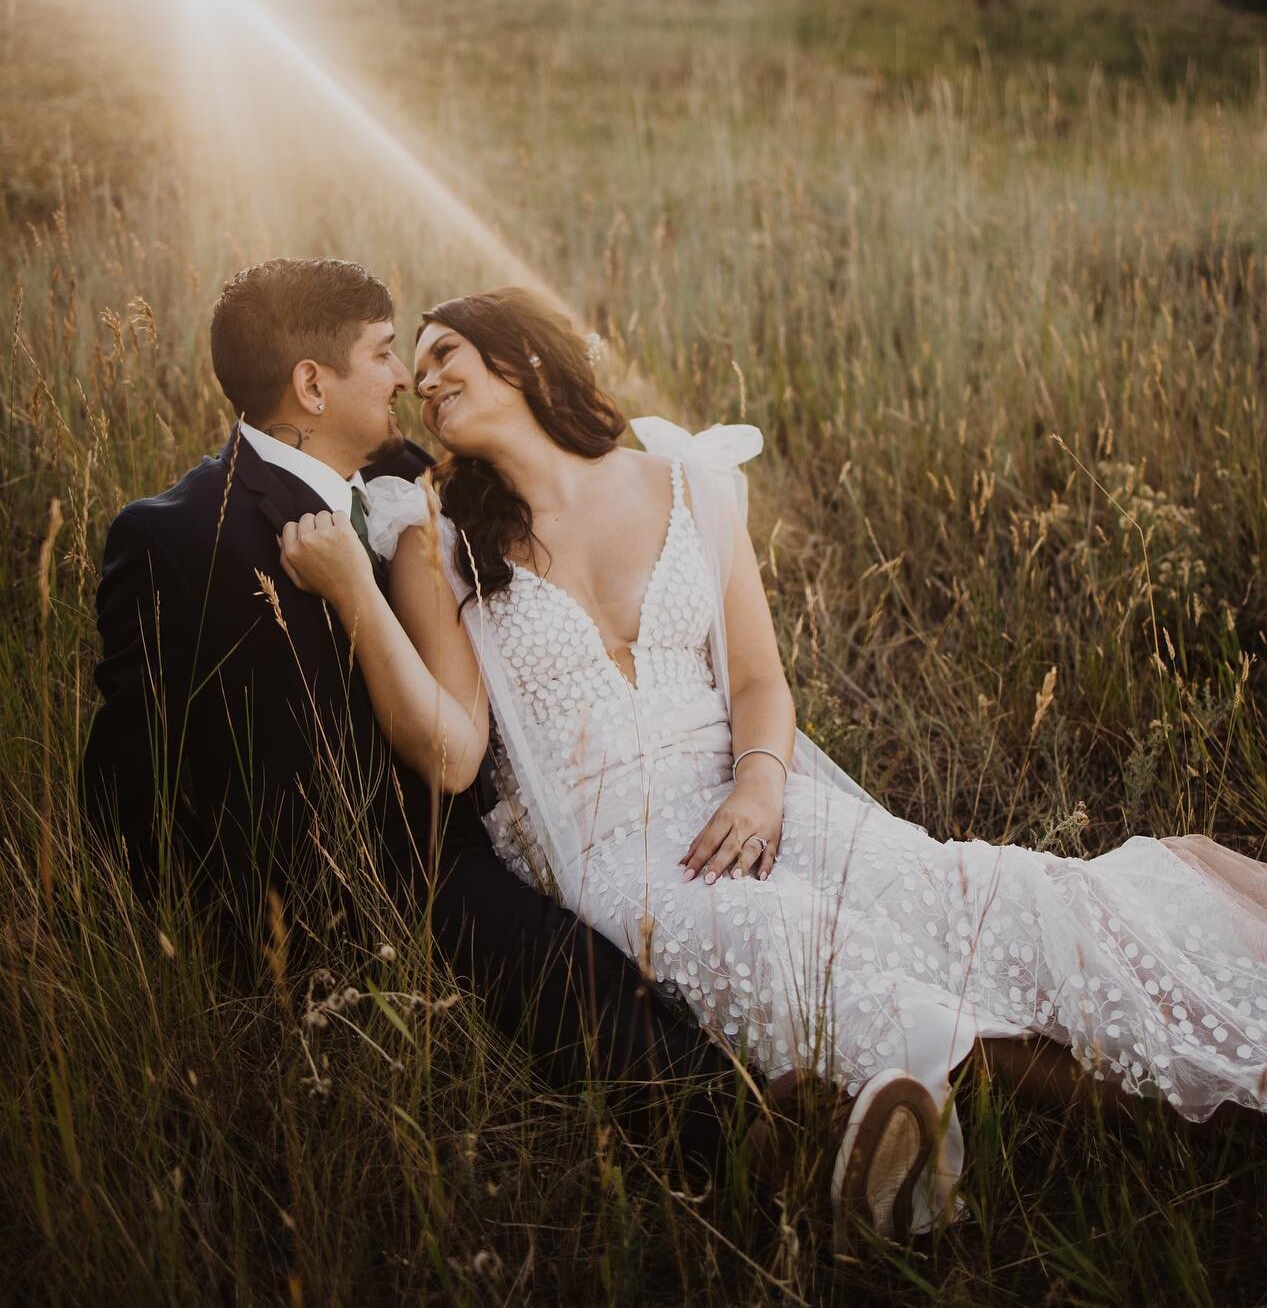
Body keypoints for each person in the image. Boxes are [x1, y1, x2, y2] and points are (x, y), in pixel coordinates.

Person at [277, 285, 1267, 1232]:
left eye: (446, 353)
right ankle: (1198, 1135)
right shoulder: (434, 539)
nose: (424, 380)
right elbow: (449, 749)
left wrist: (763, 780)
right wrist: (354, 596)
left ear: (524, 356)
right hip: (613, 851)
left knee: (990, 894)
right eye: (413, 364)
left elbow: (759, 682)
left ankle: (1260, 1085)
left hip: (747, 792)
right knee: (781, 937)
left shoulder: (688, 479)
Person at [82, 257, 945, 1243]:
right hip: (355, 859)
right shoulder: (180, 534)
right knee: (537, 951)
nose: (404, 377)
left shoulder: (408, 477)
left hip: (504, 797)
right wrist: (215, 922)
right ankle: (755, 1140)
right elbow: (130, 755)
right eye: (381, 354)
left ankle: (817, 1100)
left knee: (616, 929)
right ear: (313, 386)